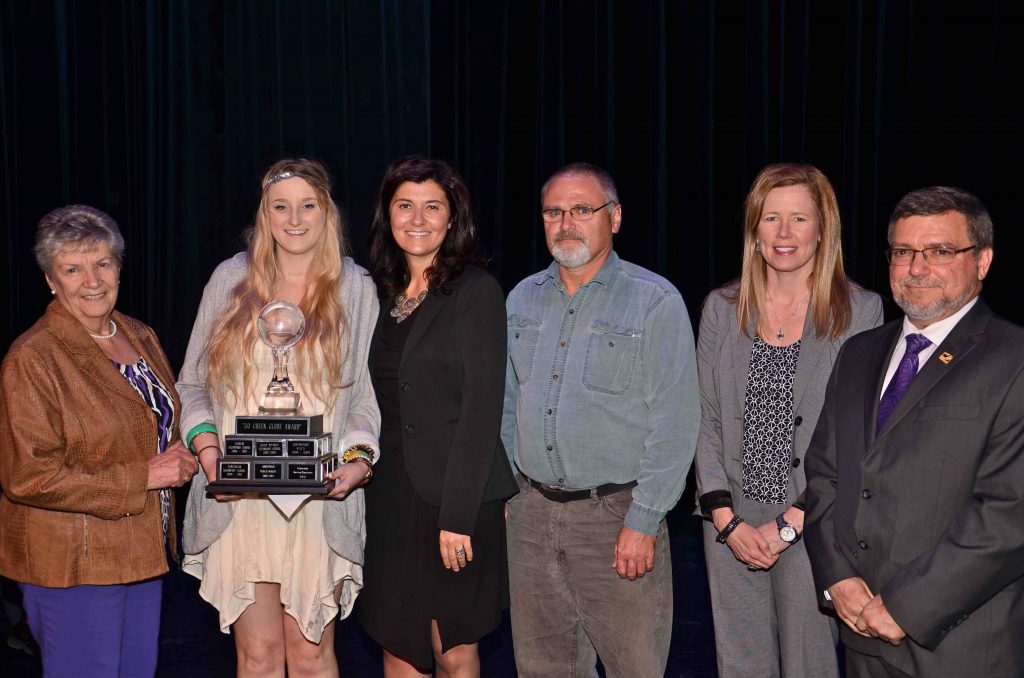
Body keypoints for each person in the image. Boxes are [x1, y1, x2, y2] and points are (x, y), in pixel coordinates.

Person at [804, 186, 1024, 676]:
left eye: (940, 251)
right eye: (903, 252)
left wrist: (906, 606)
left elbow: (1009, 516)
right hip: (861, 636)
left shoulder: (1014, 360)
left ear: (982, 261)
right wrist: (837, 579)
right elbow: (823, 477)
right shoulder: (858, 353)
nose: (916, 268)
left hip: (960, 644)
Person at [178, 159, 380, 677]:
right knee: (259, 655)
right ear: (264, 215)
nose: (295, 218)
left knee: (311, 654)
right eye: (281, 207)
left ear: (326, 212)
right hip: (239, 497)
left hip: (316, 500)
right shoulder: (229, 278)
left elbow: (367, 397)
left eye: (307, 205)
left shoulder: (354, 287)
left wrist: (356, 461)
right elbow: (193, 385)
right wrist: (209, 454)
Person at [501, 162, 699, 677]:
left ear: (614, 218)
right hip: (532, 517)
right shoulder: (520, 298)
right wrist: (510, 492)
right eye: (553, 212)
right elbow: (505, 405)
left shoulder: (654, 300)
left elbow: (675, 422)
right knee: (543, 668)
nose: (565, 223)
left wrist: (644, 520)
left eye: (581, 210)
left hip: (616, 518)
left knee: (634, 667)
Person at [694, 163, 882, 677]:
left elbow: (858, 431)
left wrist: (794, 522)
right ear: (754, 229)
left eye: (798, 218)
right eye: (771, 218)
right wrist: (724, 518)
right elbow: (706, 420)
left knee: (811, 664)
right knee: (741, 664)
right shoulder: (721, 308)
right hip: (731, 520)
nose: (783, 233)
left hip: (814, 516)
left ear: (823, 228)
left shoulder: (860, 311)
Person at [0, 205, 198, 676]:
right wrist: (144, 475)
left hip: (142, 552)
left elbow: (156, 424)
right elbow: (28, 476)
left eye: (102, 264)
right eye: (72, 269)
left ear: (118, 268)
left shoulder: (138, 334)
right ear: (51, 279)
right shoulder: (33, 357)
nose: (91, 280)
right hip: (74, 563)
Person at [357, 155, 518, 676]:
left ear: (452, 219)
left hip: (455, 498)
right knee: (396, 641)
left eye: (433, 207)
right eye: (405, 205)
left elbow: (480, 411)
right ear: (388, 215)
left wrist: (457, 517)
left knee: (452, 650)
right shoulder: (376, 295)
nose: (418, 218)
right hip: (387, 497)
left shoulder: (476, 292)